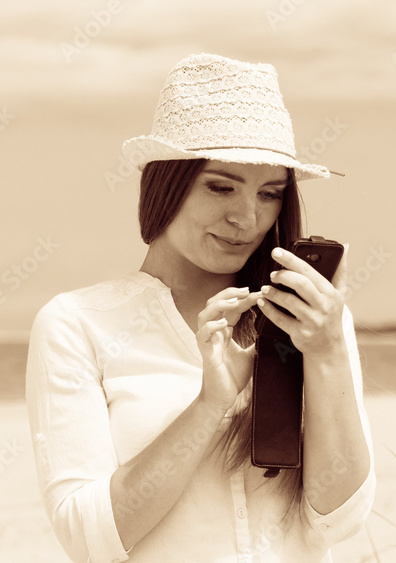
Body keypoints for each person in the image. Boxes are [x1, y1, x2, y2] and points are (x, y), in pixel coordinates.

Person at [25, 53, 375, 562]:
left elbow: (337, 520)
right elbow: (89, 538)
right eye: (220, 186)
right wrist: (210, 405)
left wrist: (326, 354)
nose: (246, 217)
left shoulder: (313, 322)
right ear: (167, 182)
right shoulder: (78, 324)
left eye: (270, 193)